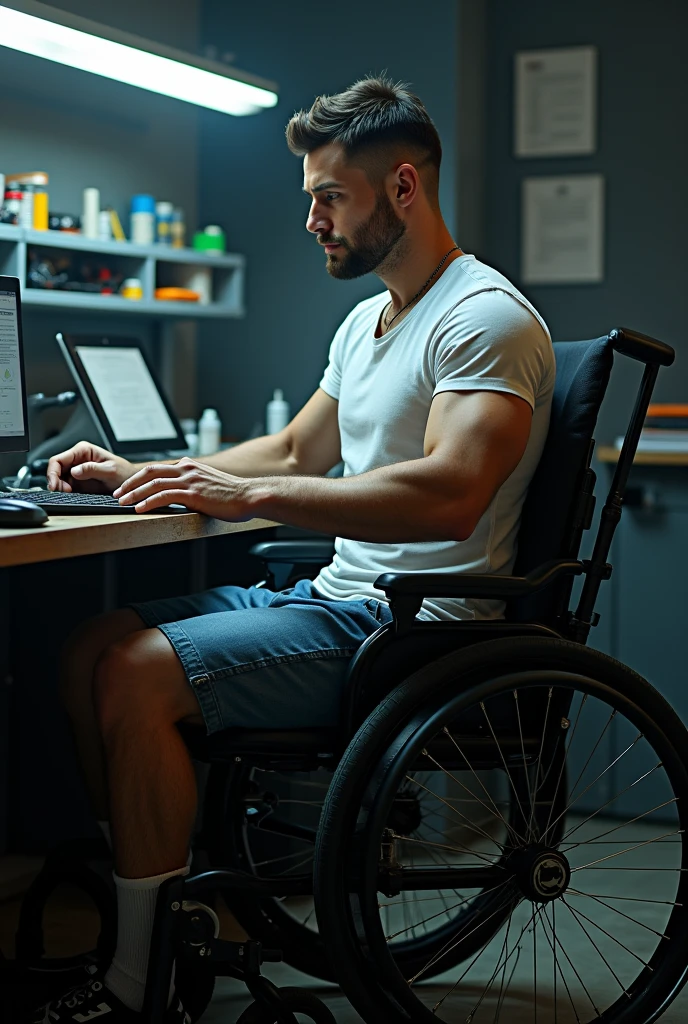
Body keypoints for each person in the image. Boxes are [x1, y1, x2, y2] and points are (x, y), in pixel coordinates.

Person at [29, 76, 554, 1022]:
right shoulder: (369, 319)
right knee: (85, 651)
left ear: (403, 188)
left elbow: (452, 493)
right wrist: (149, 468)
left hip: (415, 627)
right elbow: (288, 449)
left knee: (136, 675)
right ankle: (165, 904)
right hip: (336, 598)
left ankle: (138, 984)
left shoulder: (487, 319)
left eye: (329, 196)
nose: (312, 218)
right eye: (310, 196)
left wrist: (252, 493)